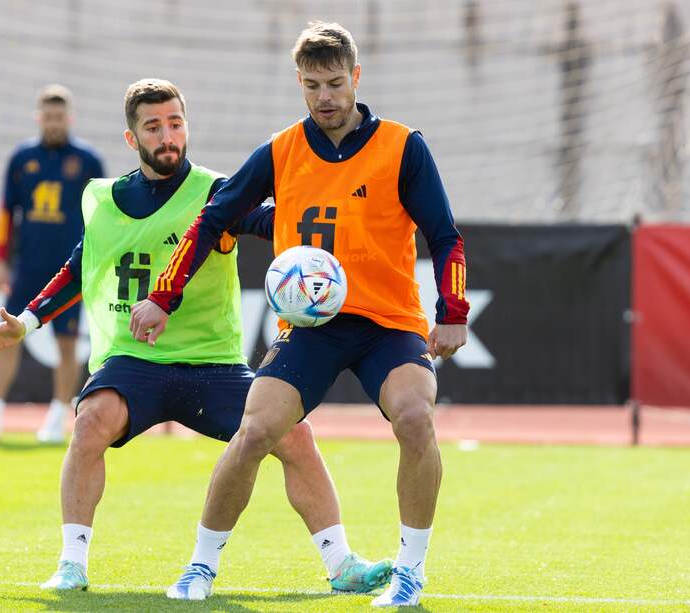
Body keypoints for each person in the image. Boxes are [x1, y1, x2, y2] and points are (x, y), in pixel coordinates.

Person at [0, 78, 392, 596]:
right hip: (133, 361)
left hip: (213, 363)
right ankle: (71, 564)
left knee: (293, 433)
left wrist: (334, 227)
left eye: (175, 123)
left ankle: (341, 563)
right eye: (153, 127)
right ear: (132, 139)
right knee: (90, 420)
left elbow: (270, 221)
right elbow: (82, 267)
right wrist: (27, 322)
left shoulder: (216, 192)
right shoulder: (104, 198)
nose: (168, 136)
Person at [130, 23, 470, 607]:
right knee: (255, 431)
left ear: (356, 77)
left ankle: (410, 573)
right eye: (313, 85)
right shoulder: (281, 150)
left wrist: (453, 309)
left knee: (415, 418)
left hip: (389, 323)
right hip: (310, 328)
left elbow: (445, 235)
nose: (326, 97)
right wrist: (165, 294)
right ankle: (199, 568)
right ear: (300, 84)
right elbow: (214, 218)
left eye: (336, 83)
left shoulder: (402, 145)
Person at [0, 84, 105, 443]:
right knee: (8, 333)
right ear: (39, 118)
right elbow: (7, 211)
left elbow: (102, 214)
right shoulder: (22, 158)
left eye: (59, 117)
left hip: (71, 266)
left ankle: (57, 416)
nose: (53, 123)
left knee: (67, 342)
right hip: (30, 264)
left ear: (69, 118)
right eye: (47, 117)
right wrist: (0, 259)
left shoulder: (88, 161)